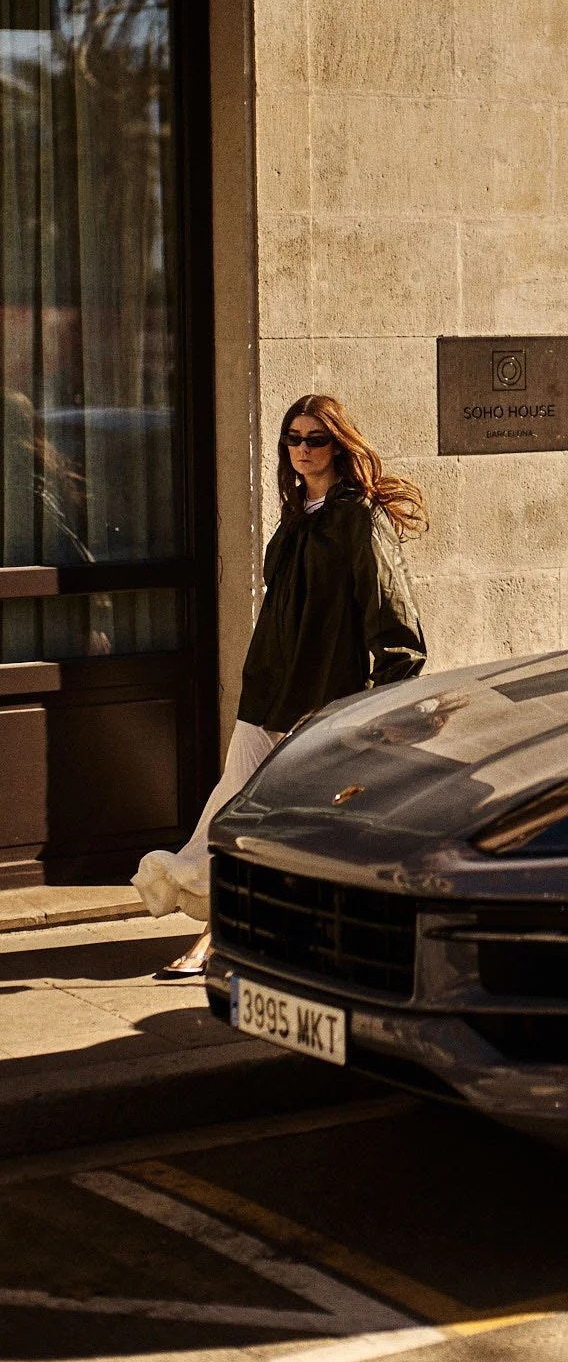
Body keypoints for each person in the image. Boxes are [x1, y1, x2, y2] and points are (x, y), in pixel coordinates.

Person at [133, 394, 427, 977]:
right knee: (229, 812)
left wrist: (371, 710)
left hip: (319, 705)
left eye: (315, 439)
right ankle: (238, 928)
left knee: (274, 825)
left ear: (339, 444)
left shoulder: (357, 518)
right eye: (293, 438)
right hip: (265, 696)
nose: (302, 449)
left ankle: (217, 941)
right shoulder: (300, 515)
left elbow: (398, 627)